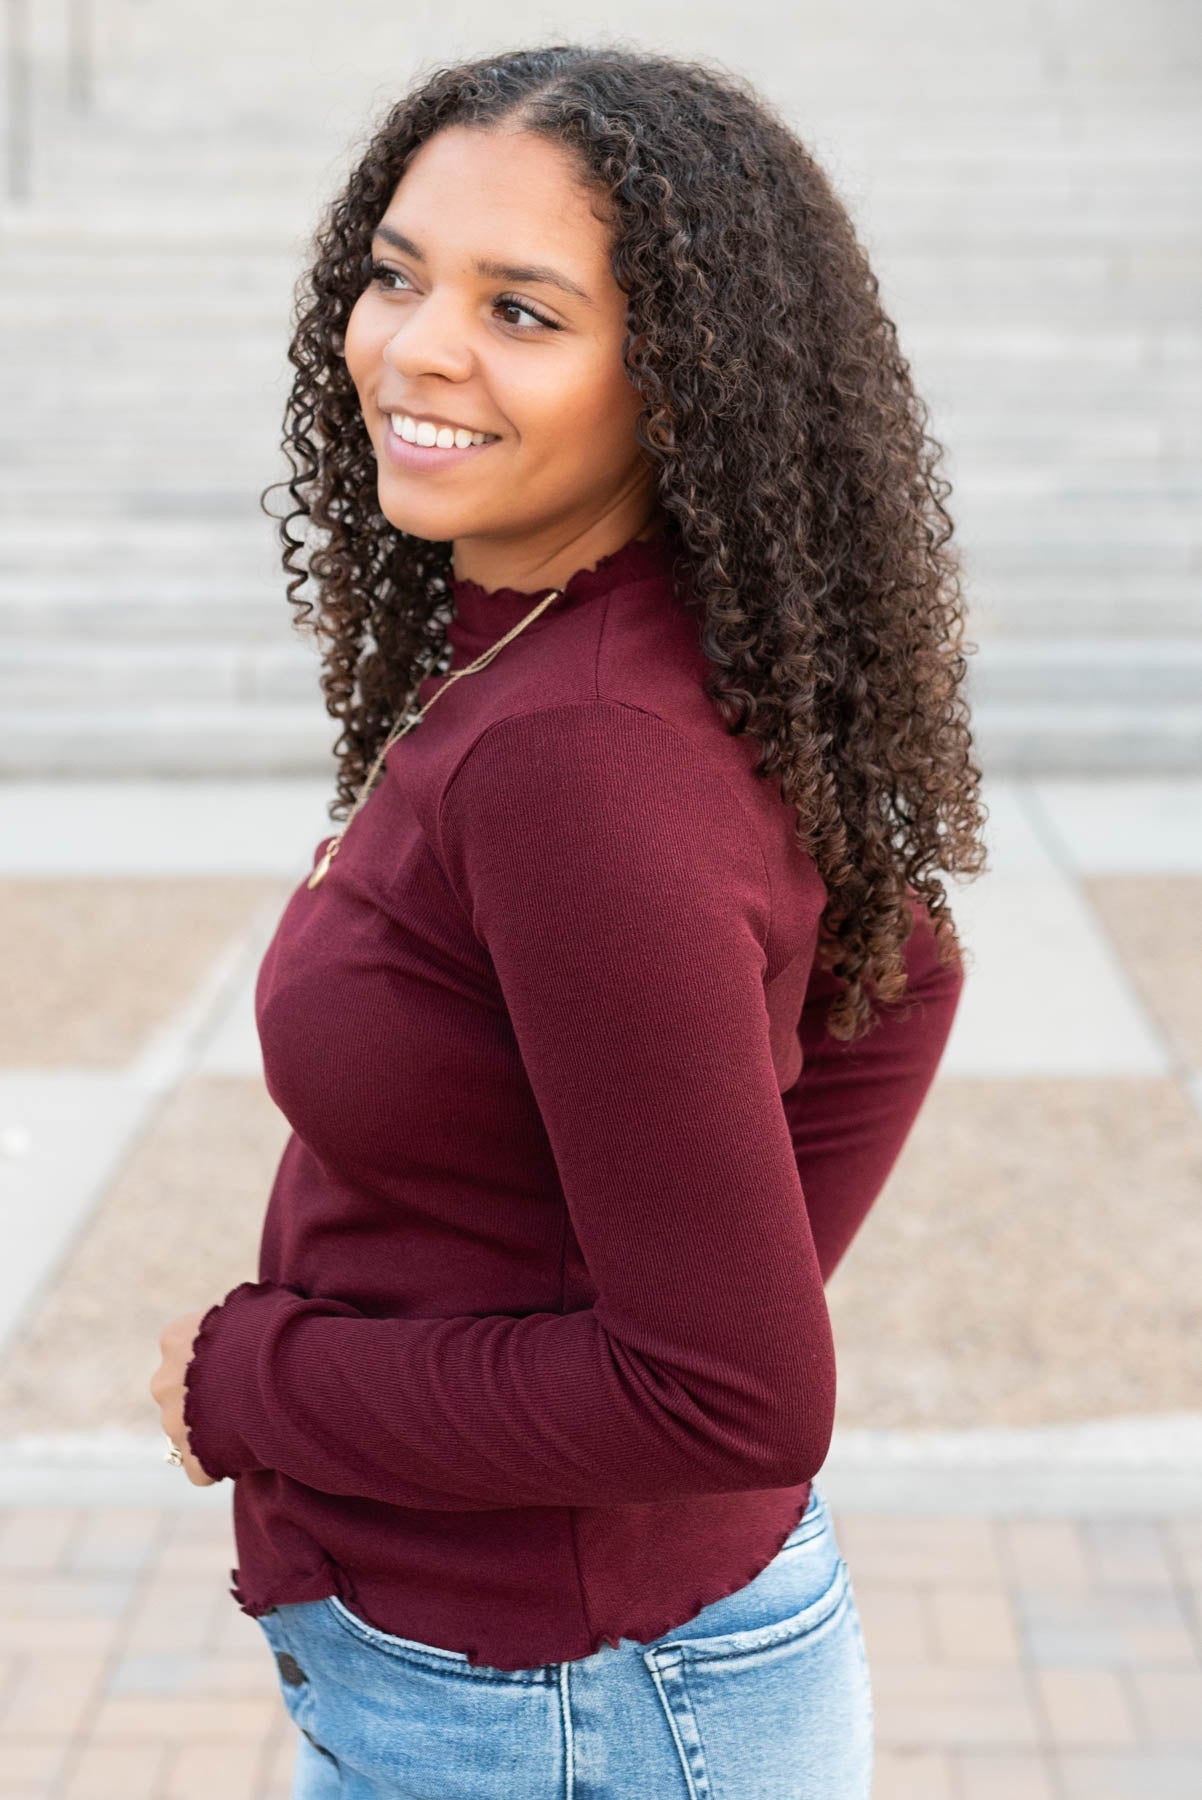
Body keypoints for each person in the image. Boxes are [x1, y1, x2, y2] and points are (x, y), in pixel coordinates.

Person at [150, 40, 985, 1799]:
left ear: (676, 381)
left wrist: (253, 1380)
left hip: (569, 1707)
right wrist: (689, 1262)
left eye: (522, 311)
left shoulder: (579, 762)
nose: (416, 347)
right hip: (556, 1664)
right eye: (395, 273)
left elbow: (735, 1401)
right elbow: (905, 970)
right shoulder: (562, 639)